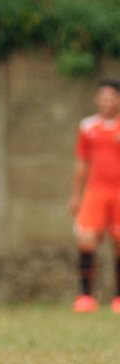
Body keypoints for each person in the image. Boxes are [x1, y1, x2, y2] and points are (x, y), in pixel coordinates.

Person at [69, 79, 120, 313]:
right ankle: (86, 296)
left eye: (111, 97)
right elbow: (81, 163)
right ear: (97, 99)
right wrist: (75, 195)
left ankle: (118, 298)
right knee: (86, 238)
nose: (106, 101)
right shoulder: (87, 126)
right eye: (102, 97)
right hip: (95, 191)